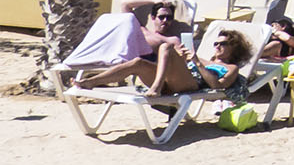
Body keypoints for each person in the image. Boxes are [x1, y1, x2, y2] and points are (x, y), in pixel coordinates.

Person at [76, 27, 252, 96]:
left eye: (223, 44)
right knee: (138, 62)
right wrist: (181, 58)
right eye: (216, 43)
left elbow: (217, 86)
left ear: (234, 47)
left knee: (166, 47)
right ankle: (90, 82)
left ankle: (156, 88)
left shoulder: (231, 68)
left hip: (191, 84)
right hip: (174, 80)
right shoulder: (203, 58)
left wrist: (197, 63)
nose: (217, 46)